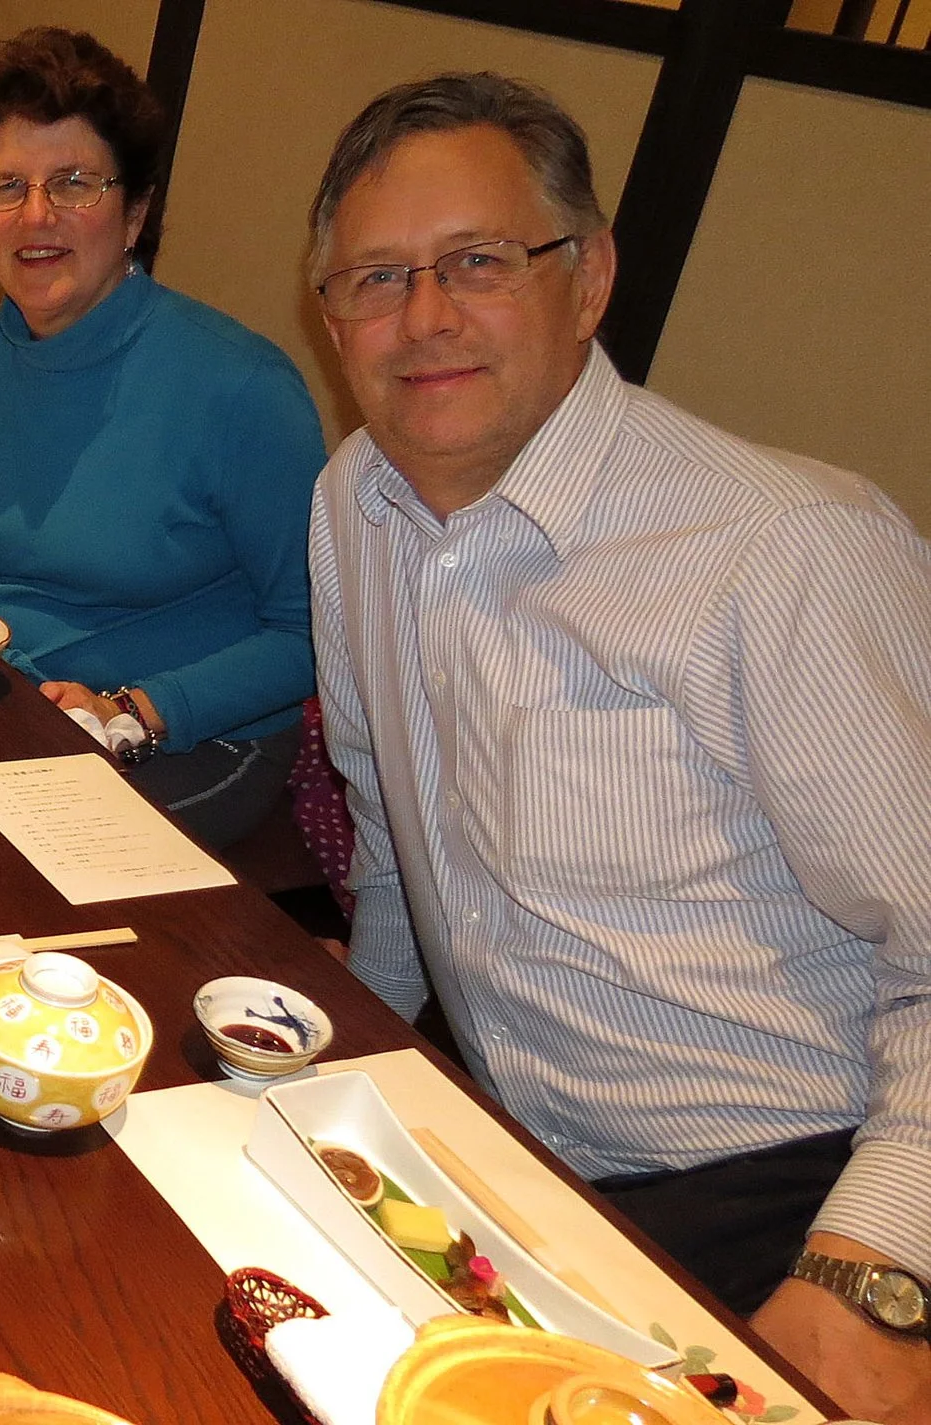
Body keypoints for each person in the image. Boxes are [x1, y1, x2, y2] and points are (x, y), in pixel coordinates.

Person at [306, 72, 931, 1421]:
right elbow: (383, 822)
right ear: (333, 318)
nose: (425, 319)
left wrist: (874, 1270)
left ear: (586, 278)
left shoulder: (780, 551)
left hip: (797, 1184)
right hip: (516, 1151)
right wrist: (350, 1050)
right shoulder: (355, 498)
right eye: (377, 279)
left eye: (477, 261)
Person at [0, 26, 326, 848]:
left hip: (187, 735)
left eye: (75, 183)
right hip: (2, 700)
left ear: (136, 214)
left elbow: (311, 634)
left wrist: (133, 711)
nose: (38, 214)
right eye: (7, 186)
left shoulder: (242, 387)